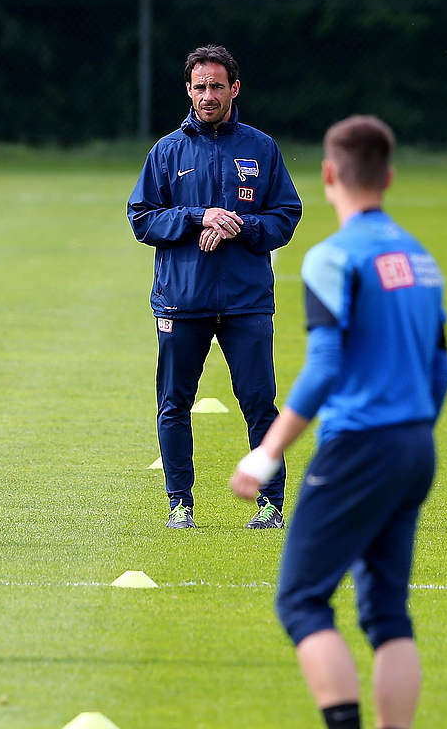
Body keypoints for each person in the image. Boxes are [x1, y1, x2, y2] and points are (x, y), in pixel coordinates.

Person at [231, 115, 447, 729]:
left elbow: (323, 367)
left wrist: (265, 453)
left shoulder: (332, 258)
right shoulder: (420, 257)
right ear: (389, 176)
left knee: (302, 600)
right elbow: (441, 370)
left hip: (359, 448)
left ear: (329, 174)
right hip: (414, 447)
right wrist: (413, 432)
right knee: (387, 614)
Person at [128, 44, 302, 530]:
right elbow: (141, 219)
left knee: (259, 404)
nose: (208, 95)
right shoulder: (166, 152)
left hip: (246, 302)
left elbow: (286, 216)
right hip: (182, 301)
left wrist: (238, 227)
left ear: (234, 89)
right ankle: (179, 503)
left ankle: (270, 504)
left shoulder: (261, 148)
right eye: (200, 86)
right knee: (174, 403)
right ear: (188, 90)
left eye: (217, 86)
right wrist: (197, 216)